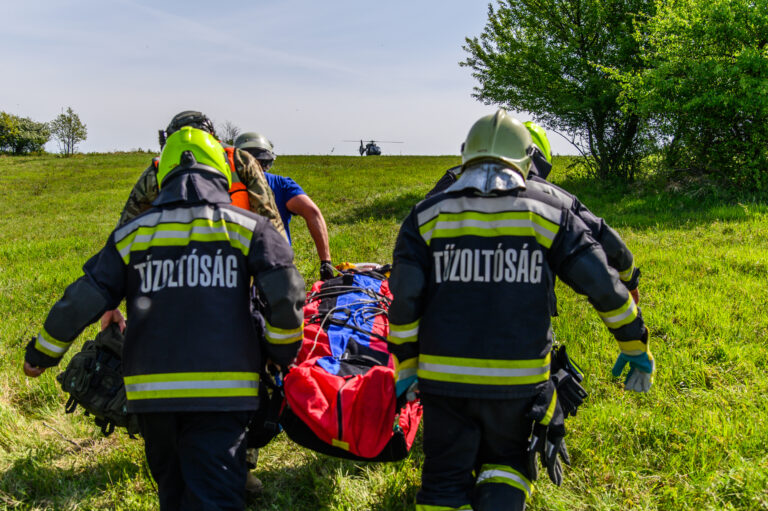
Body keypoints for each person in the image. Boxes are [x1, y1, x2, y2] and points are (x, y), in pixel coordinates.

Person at [24, 127, 306, 511]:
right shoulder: (249, 229)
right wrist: (280, 351)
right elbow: (286, 295)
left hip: (152, 398)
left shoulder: (131, 235)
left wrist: (41, 353)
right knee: (217, 497)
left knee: (172, 494)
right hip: (223, 395)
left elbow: (83, 297)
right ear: (220, 171)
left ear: (162, 175)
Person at [387, 110, 654, 511]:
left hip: (442, 381)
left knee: (443, 481)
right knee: (508, 465)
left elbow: (404, 301)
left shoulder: (426, 215)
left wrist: (405, 367)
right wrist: (635, 346)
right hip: (519, 381)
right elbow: (603, 285)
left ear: (464, 156)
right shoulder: (549, 212)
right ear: (528, 160)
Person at [426, 121, 641, 302]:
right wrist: (629, 280)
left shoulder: (452, 181)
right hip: (526, 319)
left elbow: (418, 231)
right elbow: (601, 234)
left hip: (444, 306)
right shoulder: (551, 196)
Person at [117, 110, 286, 239]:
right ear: (212, 137)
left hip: (171, 265)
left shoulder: (156, 170)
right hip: (235, 263)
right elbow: (271, 221)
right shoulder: (241, 161)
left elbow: (125, 231)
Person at [235, 132, 334, 281]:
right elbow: (312, 212)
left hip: (234, 266)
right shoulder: (281, 184)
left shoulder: (223, 185)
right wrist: (326, 262)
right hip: (276, 263)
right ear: (266, 161)